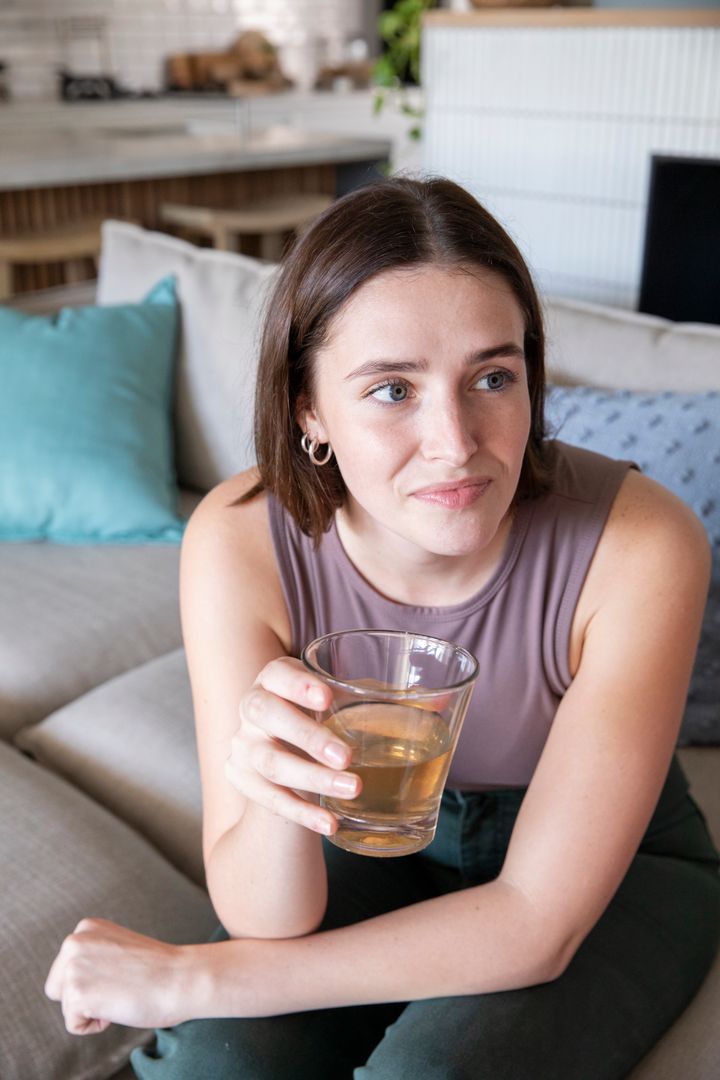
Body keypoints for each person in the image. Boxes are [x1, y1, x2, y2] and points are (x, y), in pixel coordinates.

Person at [45, 178, 720, 1079]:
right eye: (393, 388)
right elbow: (265, 918)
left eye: (492, 376)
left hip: (616, 866)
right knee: (224, 1065)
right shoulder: (238, 539)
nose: (455, 440)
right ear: (308, 411)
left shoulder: (643, 543)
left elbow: (533, 924)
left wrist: (193, 980)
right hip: (368, 835)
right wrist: (278, 794)